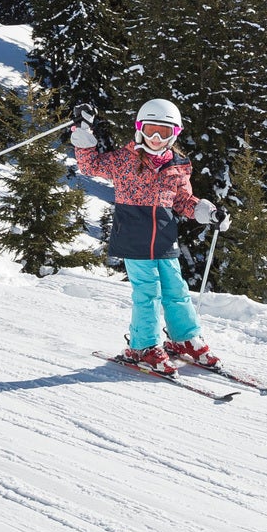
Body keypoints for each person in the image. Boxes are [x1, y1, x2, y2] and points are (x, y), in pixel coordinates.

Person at [72, 98, 222, 374]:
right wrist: (84, 132)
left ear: (174, 134)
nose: (156, 138)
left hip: (165, 236)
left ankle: (184, 338)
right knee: (148, 291)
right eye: (151, 130)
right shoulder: (123, 159)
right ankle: (143, 346)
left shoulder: (178, 165)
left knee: (176, 290)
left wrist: (206, 212)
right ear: (139, 128)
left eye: (164, 132)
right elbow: (90, 165)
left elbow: (183, 200)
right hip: (133, 235)